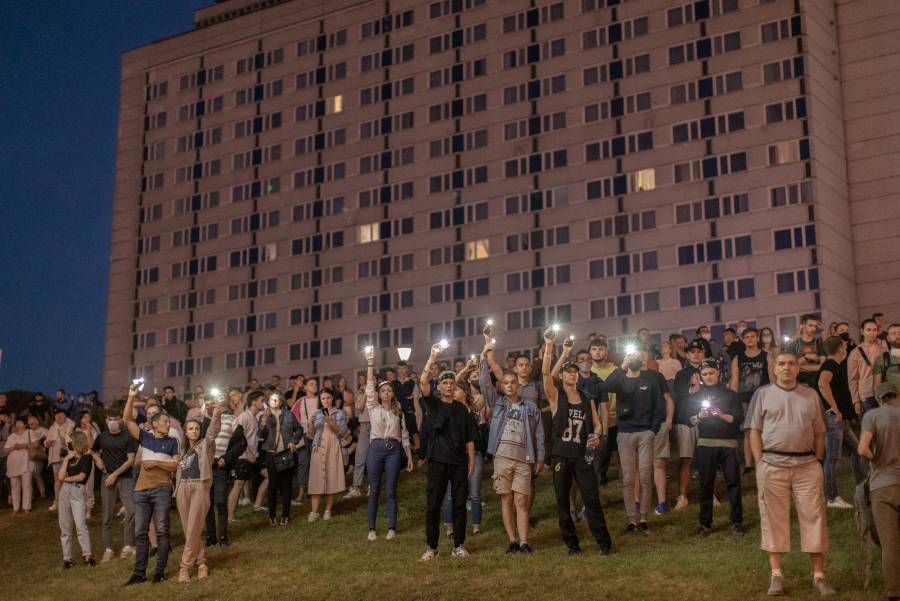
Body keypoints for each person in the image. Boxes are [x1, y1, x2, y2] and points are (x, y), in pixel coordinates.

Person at [748, 352, 834, 597]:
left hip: (807, 465)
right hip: (772, 465)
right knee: (773, 518)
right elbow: (754, 430)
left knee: (814, 516)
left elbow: (819, 431)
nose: (786, 368)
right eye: (782, 364)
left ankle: (818, 576)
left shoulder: (810, 395)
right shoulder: (762, 394)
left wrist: (817, 460)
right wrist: (759, 461)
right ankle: (776, 575)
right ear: (774, 369)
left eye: (791, 364)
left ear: (798, 368)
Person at [541, 330, 613, 554]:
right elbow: (545, 373)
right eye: (568, 372)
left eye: (574, 372)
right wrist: (553, 347)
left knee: (592, 500)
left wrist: (596, 436)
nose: (572, 375)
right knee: (563, 503)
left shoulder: (586, 398)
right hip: (562, 455)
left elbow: (598, 424)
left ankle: (604, 544)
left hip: (582, 456)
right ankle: (573, 546)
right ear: (562, 376)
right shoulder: (555, 396)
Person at [480, 340, 544, 553]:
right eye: (505, 383)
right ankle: (512, 541)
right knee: (506, 499)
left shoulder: (531, 406)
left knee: (521, 500)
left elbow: (539, 433)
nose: (509, 385)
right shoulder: (498, 404)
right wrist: (484, 358)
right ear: (502, 386)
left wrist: (540, 457)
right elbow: (484, 385)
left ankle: (524, 541)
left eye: (512, 382)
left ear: (518, 384)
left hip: (524, 458)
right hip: (502, 457)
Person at [418, 344, 476, 560]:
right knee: (433, 505)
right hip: (437, 462)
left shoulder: (462, 409)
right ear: (439, 387)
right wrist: (432, 356)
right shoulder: (433, 404)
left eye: (452, 383)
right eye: (445, 383)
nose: (449, 386)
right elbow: (423, 381)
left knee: (460, 505)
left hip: (459, 462)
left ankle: (458, 545)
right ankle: (431, 548)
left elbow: (470, 436)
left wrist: (471, 460)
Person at [123, 382, 180, 585]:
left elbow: (175, 466)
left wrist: (155, 462)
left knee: (163, 530)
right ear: (155, 424)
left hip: (162, 490)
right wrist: (131, 396)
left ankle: (159, 572)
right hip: (141, 490)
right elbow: (127, 419)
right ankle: (139, 573)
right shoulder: (145, 438)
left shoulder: (172, 442)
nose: (169, 424)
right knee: (140, 533)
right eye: (165, 421)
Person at [604, 345, 666, 533]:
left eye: (637, 355)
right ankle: (632, 520)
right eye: (631, 355)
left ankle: (644, 518)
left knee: (646, 477)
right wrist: (622, 365)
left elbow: (659, 405)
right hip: (625, 433)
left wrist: (653, 430)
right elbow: (606, 386)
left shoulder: (651, 379)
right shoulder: (621, 379)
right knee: (628, 479)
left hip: (645, 432)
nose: (634, 358)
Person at [361, 349, 415, 539]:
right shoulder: (373, 408)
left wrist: (408, 456)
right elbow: (369, 387)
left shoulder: (398, 411)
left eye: (388, 390)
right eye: (382, 390)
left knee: (391, 490)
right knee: (374, 489)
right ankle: (371, 529)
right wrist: (370, 364)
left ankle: (392, 527)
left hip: (393, 450)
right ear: (379, 394)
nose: (386, 392)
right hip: (375, 448)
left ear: (392, 394)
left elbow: (405, 435)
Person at [688, 360, 744, 537]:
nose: (708, 376)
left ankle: (736, 522)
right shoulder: (697, 395)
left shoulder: (730, 394)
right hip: (706, 442)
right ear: (701, 376)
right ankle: (705, 523)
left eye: (711, 373)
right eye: (704, 374)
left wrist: (721, 414)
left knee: (733, 483)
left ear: (718, 373)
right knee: (706, 484)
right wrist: (699, 415)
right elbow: (689, 419)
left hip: (728, 442)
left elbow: (738, 418)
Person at [858, 382, 900, 601]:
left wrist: (876, 460)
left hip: (883, 484)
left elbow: (862, 448)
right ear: (897, 395)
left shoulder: (872, 415)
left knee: (889, 542)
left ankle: (894, 592)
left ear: (879, 397)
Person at [174, 401, 223, 583]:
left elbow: (213, 431)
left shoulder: (205, 445)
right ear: (185, 433)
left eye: (196, 428)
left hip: (199, 487)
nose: (194, 431)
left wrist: (216, 412)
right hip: (182, 489)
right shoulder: (183, 451)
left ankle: (184, 567)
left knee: (194, 527)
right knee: (190, 531)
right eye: (190, 429)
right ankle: (202, 562)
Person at [817, 336, 865, 509]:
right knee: (832, 457)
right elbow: (823, 384)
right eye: (844, 346)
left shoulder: (836, 365)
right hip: (833, 417)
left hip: (840, 418)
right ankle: (831, 497)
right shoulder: (830, 365)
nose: (846, 348)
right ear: (839, 349)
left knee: (857, 450)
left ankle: (862, 487)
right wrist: (835, 408)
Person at [93, 407, 136, 562]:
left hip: (125, 477)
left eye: (115, 419)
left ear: (120, 420)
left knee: (131, 510)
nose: (113, 422)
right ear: (106, 421)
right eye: (110, 419)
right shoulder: (102, 437)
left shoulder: (127, 437)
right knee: (107, 514)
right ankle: (108, 549)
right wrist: (98, 460)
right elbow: (92, 451)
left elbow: (130, 460)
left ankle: (128, 545)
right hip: (107, 478)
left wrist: (114, 474)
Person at [729, 327, 774, 474]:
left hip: (764, 399)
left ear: (757, 338)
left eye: (752, 336)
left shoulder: (767, 356)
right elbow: (734, 381)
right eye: (747, 337)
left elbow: (773, 379)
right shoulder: (738, 358)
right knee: (748, 432)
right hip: (744, 399)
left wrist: (775, 397)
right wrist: (733, 400)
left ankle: (764, 460)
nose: (750, 339)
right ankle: (748, 464)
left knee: (765, 431)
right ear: (743, 339)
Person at [207, 387, 245, 547]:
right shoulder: (206, 418)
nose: (220, 400)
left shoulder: (232, 419)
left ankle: (223, 537)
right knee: (207, 504)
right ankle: (210, 538)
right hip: (205, 466)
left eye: (222, 397)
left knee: (221, 502)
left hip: (220, 465)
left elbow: (241, 443)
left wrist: (227, 458)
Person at [672, 339, 706, 510]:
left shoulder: (709, 371)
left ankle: (709, 494)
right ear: (687, 355)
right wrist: (691, 386)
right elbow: (677, 397)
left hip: (706, 420)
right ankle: (683, 495)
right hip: (685, 419)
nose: (696, 354)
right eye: (692, 352)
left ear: (703, 353)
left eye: (699, 351)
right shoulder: (682, 374)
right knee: (686, 458)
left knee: (707, 458)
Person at [259, 391, 301, 525]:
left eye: (277, 399)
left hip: (286, 453)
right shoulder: (264, 416)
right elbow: (260, 435)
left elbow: (299, 429)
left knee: (286, 485)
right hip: (271, 454)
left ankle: (285, 515)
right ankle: (272, 516)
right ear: (269, 402)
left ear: (281, 401)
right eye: (272, 399)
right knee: (272, 485)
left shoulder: (288, 414)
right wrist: (264, 421)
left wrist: (293, 441)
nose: (274, 402)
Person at [56, 431, 96, 568]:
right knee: (65, 526)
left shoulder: (87, 458)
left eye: (70, 441)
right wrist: (66, 459)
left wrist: (66, 479)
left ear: (77, 442)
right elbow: (60, 476)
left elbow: (81, 477)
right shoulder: (69, 458)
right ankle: (67, 558)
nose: (68, 443)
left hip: (77, 491)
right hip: (64, 492)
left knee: (80, 525)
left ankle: (88, 555)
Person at [307, 388, 347, 521]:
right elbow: (311, 435)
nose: (326, 401)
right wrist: (311, 424)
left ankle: (327, 510)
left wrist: (330, 421)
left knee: (331, 477)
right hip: (318, 446)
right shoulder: (317, 413)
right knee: (316, 478)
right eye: (323, 398)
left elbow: (341, 432)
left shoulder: (339, 412)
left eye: (328, 398)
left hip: (332, 446)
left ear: (332, 398)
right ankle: (314, 512)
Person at [227, 389, 260, 523]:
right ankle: (230, 517)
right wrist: (247, 451)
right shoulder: (244, 416)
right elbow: (236, 435)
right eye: (262, 401)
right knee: (239, 484)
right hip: (243, 456)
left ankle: (257, 504)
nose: (264, 403)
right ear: (254, 402)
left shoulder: (254, 417)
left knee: (269, 475)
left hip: (255, 456)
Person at [847, 319, 888, 415]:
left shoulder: (884, 350)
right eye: (868, 330)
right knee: (872, 427)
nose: (872, 333)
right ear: (862, 331)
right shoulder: (855, 353)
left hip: (884, 393)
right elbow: (852, 379)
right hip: (866, 395)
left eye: (874, 330)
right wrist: (856, 401)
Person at [291, 377, 319, 505]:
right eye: (311, 384)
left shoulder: (320, 400)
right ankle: (302, 491)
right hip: (303, 435)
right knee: (303, 463)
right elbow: (293, 418)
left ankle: (317, 489)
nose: (314, 386)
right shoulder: (300, 402)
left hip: (319, 435)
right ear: (305, 387)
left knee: (317, 463)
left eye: (315, 384)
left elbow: (327, 414)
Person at [346, 373, 371, 499]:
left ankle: (372, 486)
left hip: (377, 426)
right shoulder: (360, 393)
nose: (362, 381)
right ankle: (356, 487)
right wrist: (366, 393)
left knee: (374, 459)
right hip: (365, 426)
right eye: (360, 379)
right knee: (360, 457)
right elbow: (358, 407)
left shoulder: (379, 392)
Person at [44, 408, 75, 512]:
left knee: (69, 479)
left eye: (61, 415)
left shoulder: (72, 425)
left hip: (69, 457)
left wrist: (61, 432)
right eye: (57, 415)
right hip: (56, 457)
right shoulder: (53, 427)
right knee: (57, 480)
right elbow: (46, 441)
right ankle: (57, 501)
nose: (59, 417)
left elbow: (72, 440)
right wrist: (47, 443)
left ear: (65, 415)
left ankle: (70, 502)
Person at [785, 314, 826, 388]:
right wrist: (805, 357)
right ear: (803, 325)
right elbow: (789, 366)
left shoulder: (818, 343)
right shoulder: (794, 344)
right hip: (798, 384)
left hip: (816, 383)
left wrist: (800, 366)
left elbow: (823, 367)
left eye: (815, 326)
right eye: (810, 325)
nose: (813, 328)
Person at [74, 410, 100, 519]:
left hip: (89, 459)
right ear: (80, 419)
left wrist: (89, 431)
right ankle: (80, 508)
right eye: (84, 417)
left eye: (88, 417)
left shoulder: (93, 429)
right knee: (78, 485)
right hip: (78, 460)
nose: (87, 419)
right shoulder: (76, 430)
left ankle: (88, 509)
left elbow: (92, 445)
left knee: (89, 485)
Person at [4, 416, 33, 513]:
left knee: (26, 484)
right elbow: (5, 449)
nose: (17, 424)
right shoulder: (11, 436)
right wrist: (14, 447)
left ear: (25, 424)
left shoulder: (29, 432)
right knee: (14, 485)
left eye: (20, 423)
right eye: (17, 423)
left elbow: (35, 444)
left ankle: (26, 507)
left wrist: (22, 446)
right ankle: (15, 507)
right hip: (13, 462)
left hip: (25, 461)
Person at [872, 323, 900, 397]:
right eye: (893, 333)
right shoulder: (881, 359)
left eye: (899, 333)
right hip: (892, 405)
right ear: (887, 338)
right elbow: (876, 388)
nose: (897, 336)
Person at [26, 415, 48, 501]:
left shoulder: (44, 431)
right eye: (29, 424)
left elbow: (47, 443)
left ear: (37, 422)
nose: (31, 425)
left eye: (32, 423)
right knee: (31, 475)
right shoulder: (29, 432)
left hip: (39, 454)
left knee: (36, 474)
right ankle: (31, 496)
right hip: (31, 455)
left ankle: (42, 495)